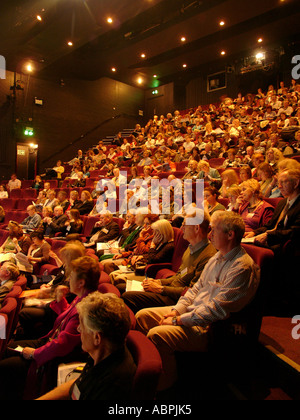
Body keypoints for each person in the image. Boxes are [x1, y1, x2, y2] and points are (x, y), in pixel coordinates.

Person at [135, 211, 260, 391]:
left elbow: (216, 310)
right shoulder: (217, 257)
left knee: (157, 334)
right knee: (142, 316)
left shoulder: (242, 267)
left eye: (214, 231)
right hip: (191, 312)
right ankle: (147, 370)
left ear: (230, 234)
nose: (209, 235)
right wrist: (177, 310)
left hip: (210, 327)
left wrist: (178, 320)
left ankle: (164, 387)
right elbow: (195, 289)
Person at [0, 255, 100, 401]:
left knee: (4, 366)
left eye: (71, 276)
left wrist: (35, 353)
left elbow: (63, 344)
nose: (68, 279)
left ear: (81, 282)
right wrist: (61, 300)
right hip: (49, 342)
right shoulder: (82, 297)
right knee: (8, 350)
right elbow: (67, 319)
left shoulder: (86, 307)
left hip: (52, 359)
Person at [37, 292, 136, 400]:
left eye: (82, 325)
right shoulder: (103, 355)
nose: (79, 329)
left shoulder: (111, 386)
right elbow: (77, 386)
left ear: (97, 338)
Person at [122, 210, 217, 314]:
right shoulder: (190, 248)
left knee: (127, 295)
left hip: (177, 299)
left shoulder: (208, 257)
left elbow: (192, 292)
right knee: (123, 287)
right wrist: (159, 282)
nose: (181, 228)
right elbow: (179, 275)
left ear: (196, 228)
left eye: (184, 225)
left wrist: (161, 289)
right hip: (169, 290)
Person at [244, 169, 300, 251]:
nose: (279, 186)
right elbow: (270, 224)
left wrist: (268, 235)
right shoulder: (282, 202)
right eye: (278, 183)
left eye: (283, 182)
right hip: (273, 242)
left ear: (296, 183)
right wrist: (254, 232)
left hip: (289, 249)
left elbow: (294, 232)